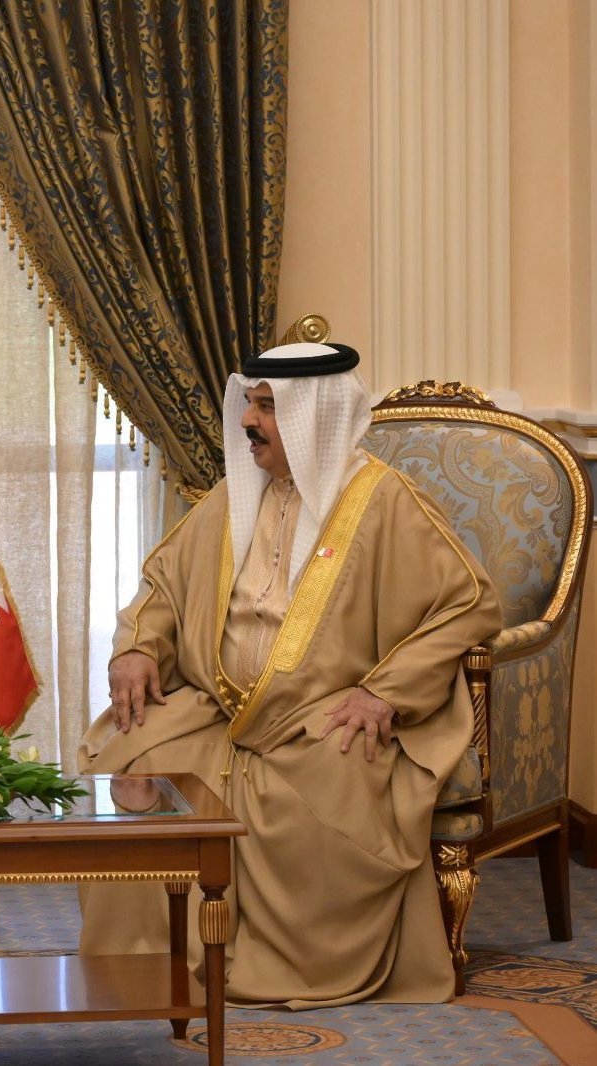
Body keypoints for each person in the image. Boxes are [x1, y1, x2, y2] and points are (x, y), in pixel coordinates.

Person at [77, 341, 502, 1008]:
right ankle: (147, 962)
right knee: (130, 754)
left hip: (320, 719)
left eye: (269, 408)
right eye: (250, 403)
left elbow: (469, 603)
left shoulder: (383, 501)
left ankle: (285, 965)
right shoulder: (235, 497)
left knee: (329, 795)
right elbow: (162, 587)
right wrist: (137, 648)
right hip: (216, 708)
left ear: (316, 417)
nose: (249, 421)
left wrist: (384, 692)